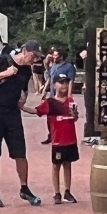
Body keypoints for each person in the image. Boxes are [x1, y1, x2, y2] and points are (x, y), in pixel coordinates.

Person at [0, 39, 42, 208]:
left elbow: (23, 89)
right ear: (25, 51)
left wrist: (23, 98)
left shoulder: (26, 70)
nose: (34, 60)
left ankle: (24, 188)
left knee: (20, 152)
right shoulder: (2, 61)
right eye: (33, 55)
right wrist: (5, 73)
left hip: (13, 112)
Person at [35, 75, 81, 204]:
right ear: (54, 85)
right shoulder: (50, 102)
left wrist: (75, 115)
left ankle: (67, 191)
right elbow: (36, 111)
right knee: (56, 166)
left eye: (66, 83)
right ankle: (57, 193)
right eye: (61, 83)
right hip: (57, 141)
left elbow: (75, 118)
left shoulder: (70, 101)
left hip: (70, 140)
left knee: (68, 164)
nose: (64, 86)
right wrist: (21, 106)